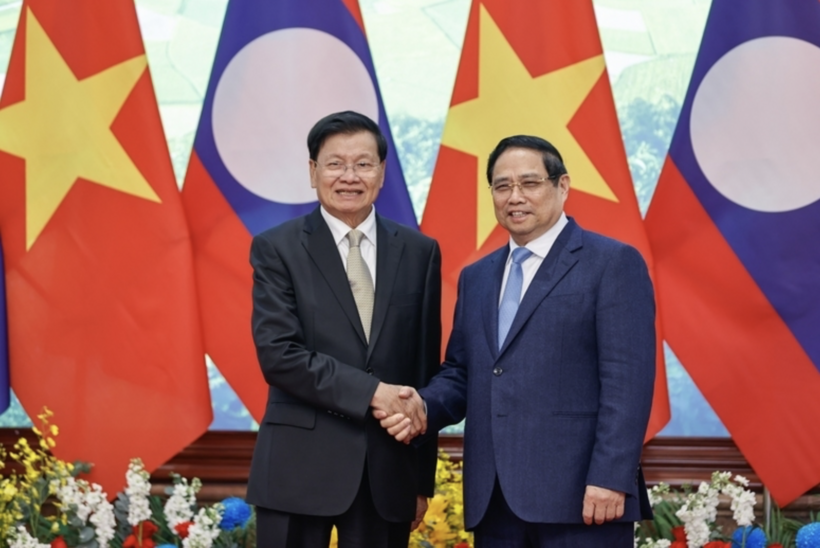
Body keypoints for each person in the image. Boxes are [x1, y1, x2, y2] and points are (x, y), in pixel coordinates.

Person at [378, 135, 655, 547]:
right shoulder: (477, 277)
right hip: (495, 502)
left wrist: (611, 478)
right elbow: (461, 374)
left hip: (584, 500)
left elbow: (627, 383)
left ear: (562, 187)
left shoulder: (611, 263)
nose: (515, 196)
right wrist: (419, 407)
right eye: (502, 185)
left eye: (530, 183)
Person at [246, 111, 440, 548]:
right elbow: (280, 355)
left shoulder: (419, 252)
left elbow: (422, 370)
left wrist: (419, 480)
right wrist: (374, 392)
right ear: (313, 171)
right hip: (297, 471)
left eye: (363, 164)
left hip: (386, 475)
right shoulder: (276, 249)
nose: (349, 176)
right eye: (335, 164)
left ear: (382, 172)